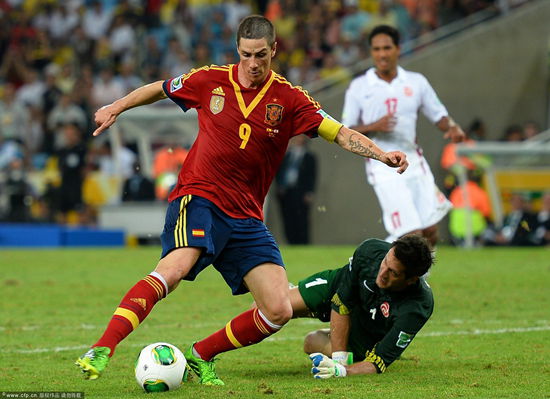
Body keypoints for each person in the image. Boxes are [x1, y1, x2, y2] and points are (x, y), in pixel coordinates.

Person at [75, 15, 408, 386]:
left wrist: (382, 155)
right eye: (247, 55)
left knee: (279, 308)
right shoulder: (209, 79)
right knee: (174, 269)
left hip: (247, 219)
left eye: (261, 55)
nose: (253, 64)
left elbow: (341, 134)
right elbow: (161, 88)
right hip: (199, 198)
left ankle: (201, 355)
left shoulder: (291, 99)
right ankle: (102, 347)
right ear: (238, 50)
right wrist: (116, 107)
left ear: (274, 50)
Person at [341, 25, 465, 247]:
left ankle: (418, 281)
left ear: (398, 49)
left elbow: (439, 115)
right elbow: (345, 131)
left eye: (387, 48)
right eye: (376, 49)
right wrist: (374, 126)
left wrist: (453, 127)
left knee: (430, 232)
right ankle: (369, 269)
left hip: (415, 162)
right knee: (411, 234)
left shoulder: (415, 82)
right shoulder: (359, 87)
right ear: (371, 52)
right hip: (382, 164)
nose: (382, 54)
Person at [288, 234, 434, 377]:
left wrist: (341, 371)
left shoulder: (417, 306)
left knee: (312, 341)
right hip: (339, 287)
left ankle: (315, 315)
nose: (382, 272)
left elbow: (378, 361)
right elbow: (342, 302)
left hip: (367, 329)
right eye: (385, 261)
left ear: (411, 280)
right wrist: (340, 360)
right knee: (280, 306)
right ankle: (303, 304)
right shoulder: (370, 251)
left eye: (393, 273)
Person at [275, 134, 317, 244]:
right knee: (287, 218)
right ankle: (290, 241)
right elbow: (278, 172)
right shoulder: (287, 155)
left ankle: (302, 242)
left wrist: (309, 192)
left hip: (301, 192)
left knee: (301, 219)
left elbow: (312, 176)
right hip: (286, 191)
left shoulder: (309, 157)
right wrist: (279, 186)